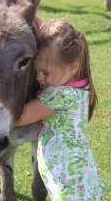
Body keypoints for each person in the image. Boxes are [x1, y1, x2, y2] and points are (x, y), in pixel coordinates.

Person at [16, 20, 105, 201]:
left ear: (73, 68)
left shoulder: (59, 96)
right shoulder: (81, 88)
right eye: (36, 71)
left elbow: (19, 117)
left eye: (45, 73)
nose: (39, 78)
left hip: (69, 180)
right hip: (80, 173)